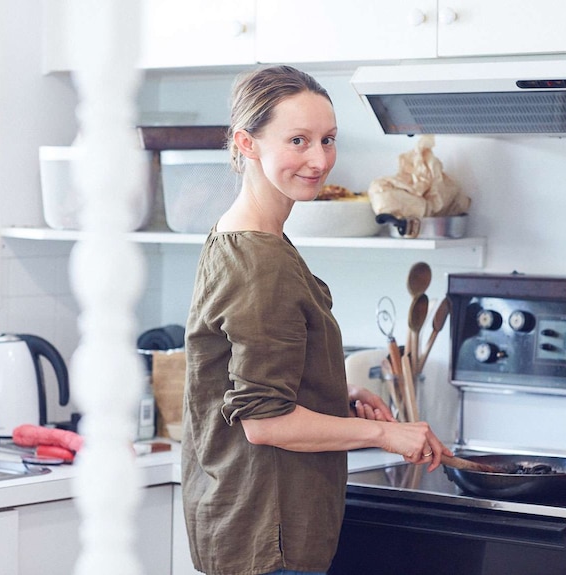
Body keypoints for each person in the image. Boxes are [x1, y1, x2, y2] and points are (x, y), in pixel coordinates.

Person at [181, 65, 451, 575]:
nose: (319, 159)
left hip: (245, 523)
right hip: (270, 536)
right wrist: (385, 436)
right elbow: (264, 422)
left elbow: (246, 380)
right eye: (298, 140)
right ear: (248, 143)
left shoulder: (237, 235)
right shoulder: (261, 261)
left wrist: (333, 393)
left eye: (328, 140)